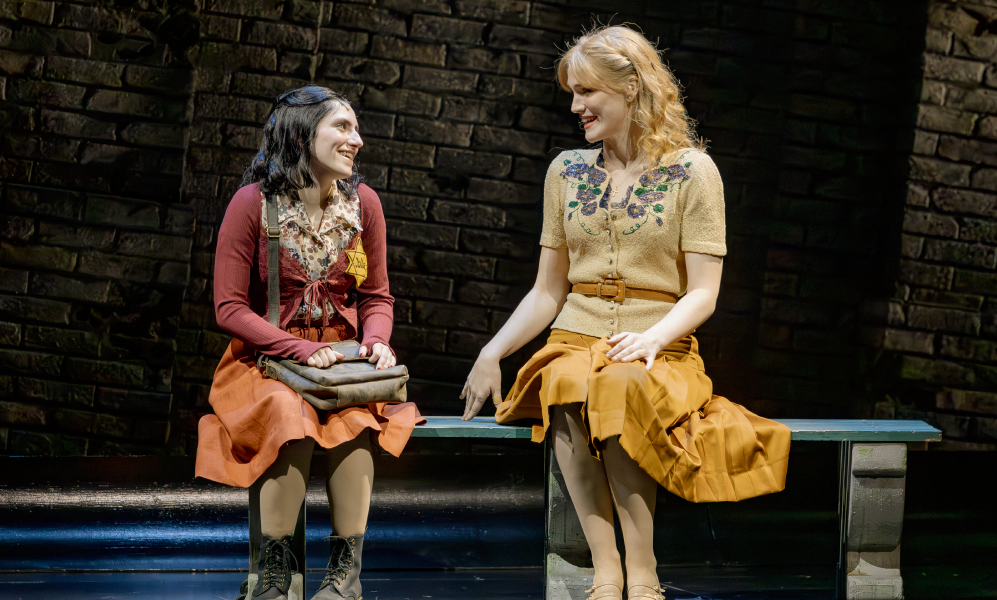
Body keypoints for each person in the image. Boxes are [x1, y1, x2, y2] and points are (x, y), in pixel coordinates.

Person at [460, 26, 791, 600]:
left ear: (632, 87)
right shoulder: (566, 172)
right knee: (563, 380)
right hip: (574, 336)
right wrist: (494, 351)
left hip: (661, 344)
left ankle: (643, 575)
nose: (575, 106)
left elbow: (703, 294)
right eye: (572, 92)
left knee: (617, 385)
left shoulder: (693, 172)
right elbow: (547, 291)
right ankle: (605, 570)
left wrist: (653, 338)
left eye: (587, 91)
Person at [196, 86, 423, 600]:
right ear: (302, 133)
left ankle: (346, 575)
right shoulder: (253, 205)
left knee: (356, 420)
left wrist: (377, 343)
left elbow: (378, 297)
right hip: (268, 361)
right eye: (342, 127)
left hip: (340, 363)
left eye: (356, 128)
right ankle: (276, 574)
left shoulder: (362, 204)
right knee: (284, 412)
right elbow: (229, 308)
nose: (356, 139)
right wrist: (296, 350)